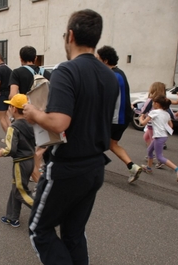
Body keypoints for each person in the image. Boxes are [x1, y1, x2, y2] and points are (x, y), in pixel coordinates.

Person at [23, 9, 119, 264]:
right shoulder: (110, 76)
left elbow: (59, 122)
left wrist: (34, 113)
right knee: (74, 234)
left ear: (71, 36)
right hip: (95, 167)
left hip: (68, 167)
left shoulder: (67, 70)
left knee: (39, 229)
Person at [97, 45, 142, 184]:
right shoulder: (120, 73)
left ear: (105, 60)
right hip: (123, 118)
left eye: (98, 59)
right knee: (112, 144)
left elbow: (105, 98)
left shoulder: (112, 75)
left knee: (93, 140)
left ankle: (91, 169)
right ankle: (132, 166)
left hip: (114, 118)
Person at [9, 46, 52, 183]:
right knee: (42, 145)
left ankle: (36, 177)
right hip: (44, 115)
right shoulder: (46, 73)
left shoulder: (17, 73)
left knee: (29, 149)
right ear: (35, 58)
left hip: (26, 115)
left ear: (20, 58)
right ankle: (40, 172)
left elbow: (12, 95)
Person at [0, 94, 35, 228]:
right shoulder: (31, 124)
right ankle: (12, 217)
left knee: (21, 191)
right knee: (16, 188)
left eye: (10, 105)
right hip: (30, 160)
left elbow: (11, 149)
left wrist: (2, 152)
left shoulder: (13, 127)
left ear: (13, 109)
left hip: (20, 161)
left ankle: (43, 212)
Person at [139, 95, 178, 181]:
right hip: (162, 136)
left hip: (159, 137)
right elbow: (171, 125)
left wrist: (141, 118)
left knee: (159, 157)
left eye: (153, 102)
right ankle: (148, 168)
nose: (152, 103)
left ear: (157, 104)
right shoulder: (167, 113)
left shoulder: (154, 112)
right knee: (149, 150)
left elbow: (143, 123)